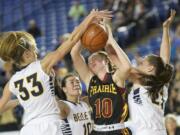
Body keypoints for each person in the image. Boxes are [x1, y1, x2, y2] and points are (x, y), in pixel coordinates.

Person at [0, 10, 112, 135]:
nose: (36, 52)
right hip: (50, 125)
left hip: (28, 129)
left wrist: (22, 100)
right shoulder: (43, 65)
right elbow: (71, 40)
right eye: (33, 49)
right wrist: (90, 17)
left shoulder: (12, 82)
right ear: (26, 54)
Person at [70, 22, 131, 134]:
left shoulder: (115, 77)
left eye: (95, 58)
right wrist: (83, 33)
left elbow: (127, 67)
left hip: (117, 130)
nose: (91, 61)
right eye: (89, 61)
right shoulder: (90, 79)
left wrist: (111, 41)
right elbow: (74, 54)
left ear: (106, 60)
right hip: (97, 130)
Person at [122, 10, 176, 135]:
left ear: (150, 68)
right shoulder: (157, 83)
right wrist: (165, 29)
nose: (139, 62)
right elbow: (164, 60)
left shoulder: (154, 83)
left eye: (143, 62)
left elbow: (164, 60)